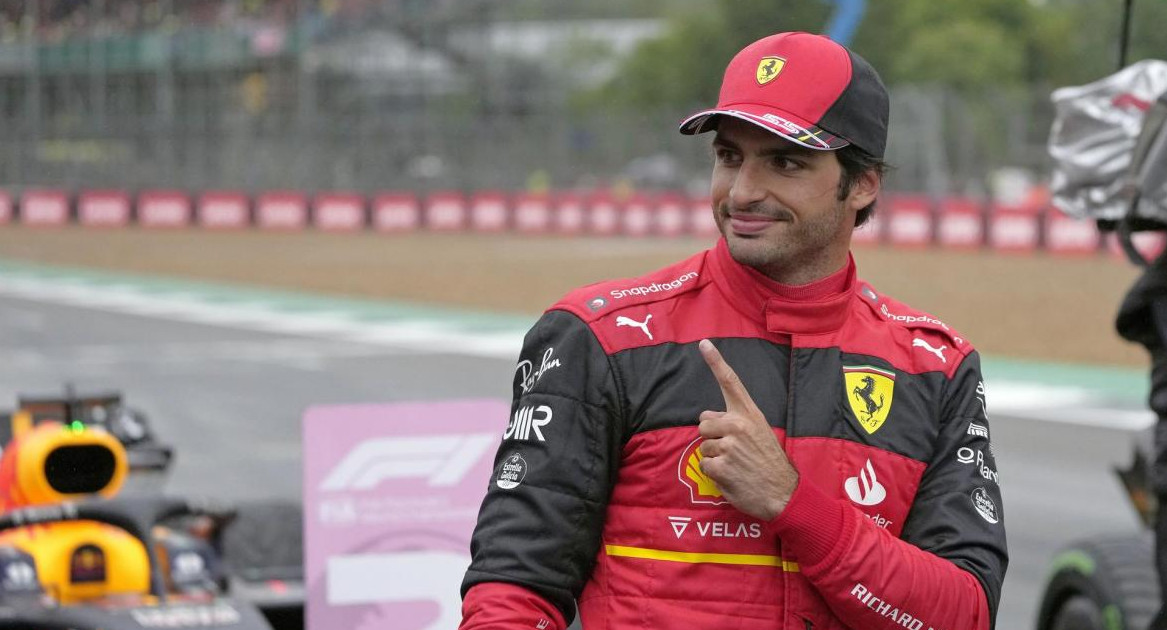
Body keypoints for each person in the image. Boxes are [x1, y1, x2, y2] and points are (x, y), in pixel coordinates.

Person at [460, 31, 1008, 630]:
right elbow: (514, 589)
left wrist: (794, 507)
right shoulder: (603, 338)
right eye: (729, 156)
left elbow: (963, 616)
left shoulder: (934, 366)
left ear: (864, 183)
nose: (743, 191)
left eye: (786, 161)